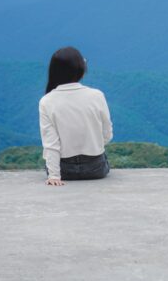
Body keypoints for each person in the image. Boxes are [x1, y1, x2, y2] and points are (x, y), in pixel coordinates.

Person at [39, 46, 113, 186]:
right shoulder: (97, 96)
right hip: (96, 168)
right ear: (81, 70)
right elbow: (107, 133)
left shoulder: (47, 101)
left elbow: (51, 143)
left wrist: (54, 175)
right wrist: (93, 144)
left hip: (65, 171)